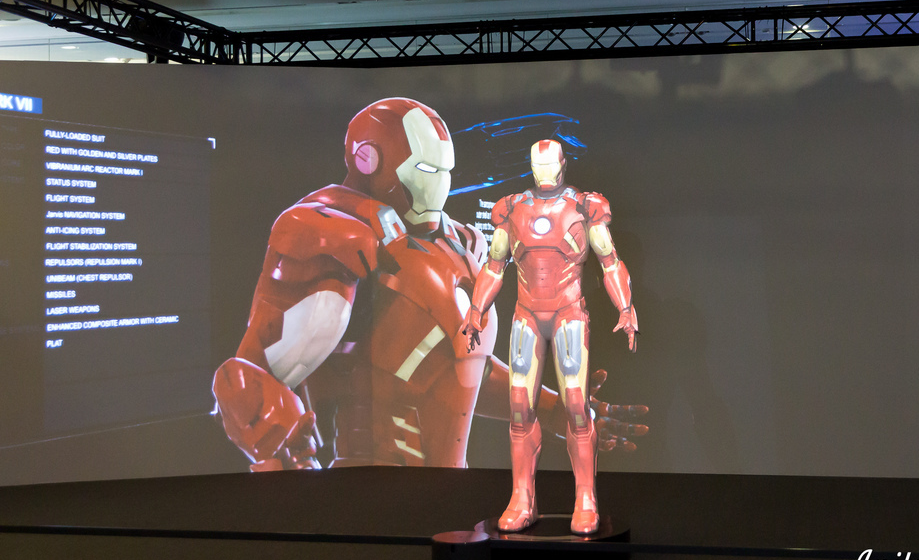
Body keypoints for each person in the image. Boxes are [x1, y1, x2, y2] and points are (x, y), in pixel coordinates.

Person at [212, 99, 646, 471]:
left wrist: (554, 410)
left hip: (446, 495)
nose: (437, 182)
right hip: (369, 495)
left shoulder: (455, 243)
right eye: (424, 168)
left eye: (444, 170)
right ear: (367, 159)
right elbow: (247, 381)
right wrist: (282, 456)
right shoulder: (333, 232)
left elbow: (455, 371)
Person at [461, 138, 638, 535]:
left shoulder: (584, 207)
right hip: (527, 314)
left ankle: (586, 498)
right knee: (519, 407)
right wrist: (476, 310)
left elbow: (610, 261)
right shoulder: (512, 208)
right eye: (537, 164)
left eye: (549, 164)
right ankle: (522, 498)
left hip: (568, 313)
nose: (543, 172)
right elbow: (494, 265)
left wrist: (625, 307)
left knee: (576, 404)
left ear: (562, 164)